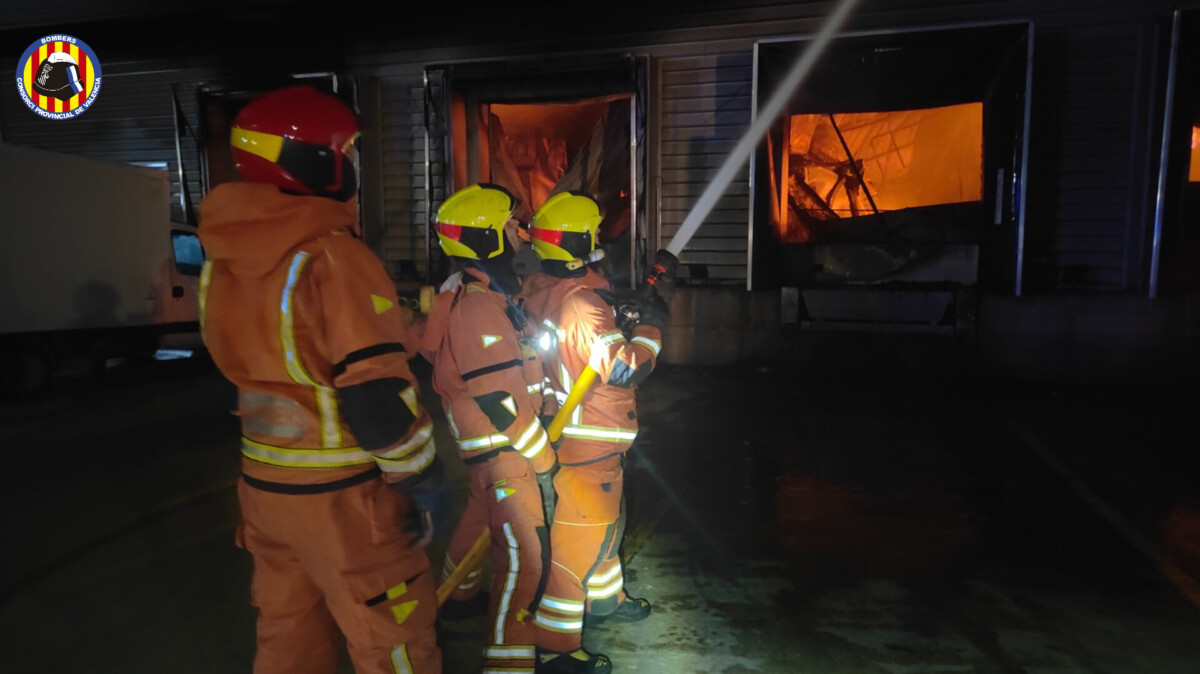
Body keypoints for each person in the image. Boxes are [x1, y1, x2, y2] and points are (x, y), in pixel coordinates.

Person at [197, 85, 445, 674]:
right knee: (392, 635)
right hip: (346, 501)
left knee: (289, 638)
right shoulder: (335, 257)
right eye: (349, 150)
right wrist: (423, 478)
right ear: (313, 159)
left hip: (264, 493)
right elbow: (374, 398)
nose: (354, 163)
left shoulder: (223, 265)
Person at [519, 192, 669, 674]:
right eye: (595, 232)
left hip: (577, 437)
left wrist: (619, 313)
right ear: (579, 241)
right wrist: (651, 329)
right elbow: (624, 370)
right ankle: (556, 649)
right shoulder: (583, 305)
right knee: (577, 546)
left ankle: (606, 599)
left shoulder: (540, 290)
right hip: (590, 442)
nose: (601, 239)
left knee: (608, 527)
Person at [419, 183, 557, 674]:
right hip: (505, 454)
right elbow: (498, 398)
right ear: (486, 239)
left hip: (491, 456)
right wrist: (541, 456)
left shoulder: (487, 297)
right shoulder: (478, 307)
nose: (521, 234)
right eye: (509, 226)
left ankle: (456, 600)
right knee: (526, 562)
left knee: (478, 523)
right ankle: (508, 663)